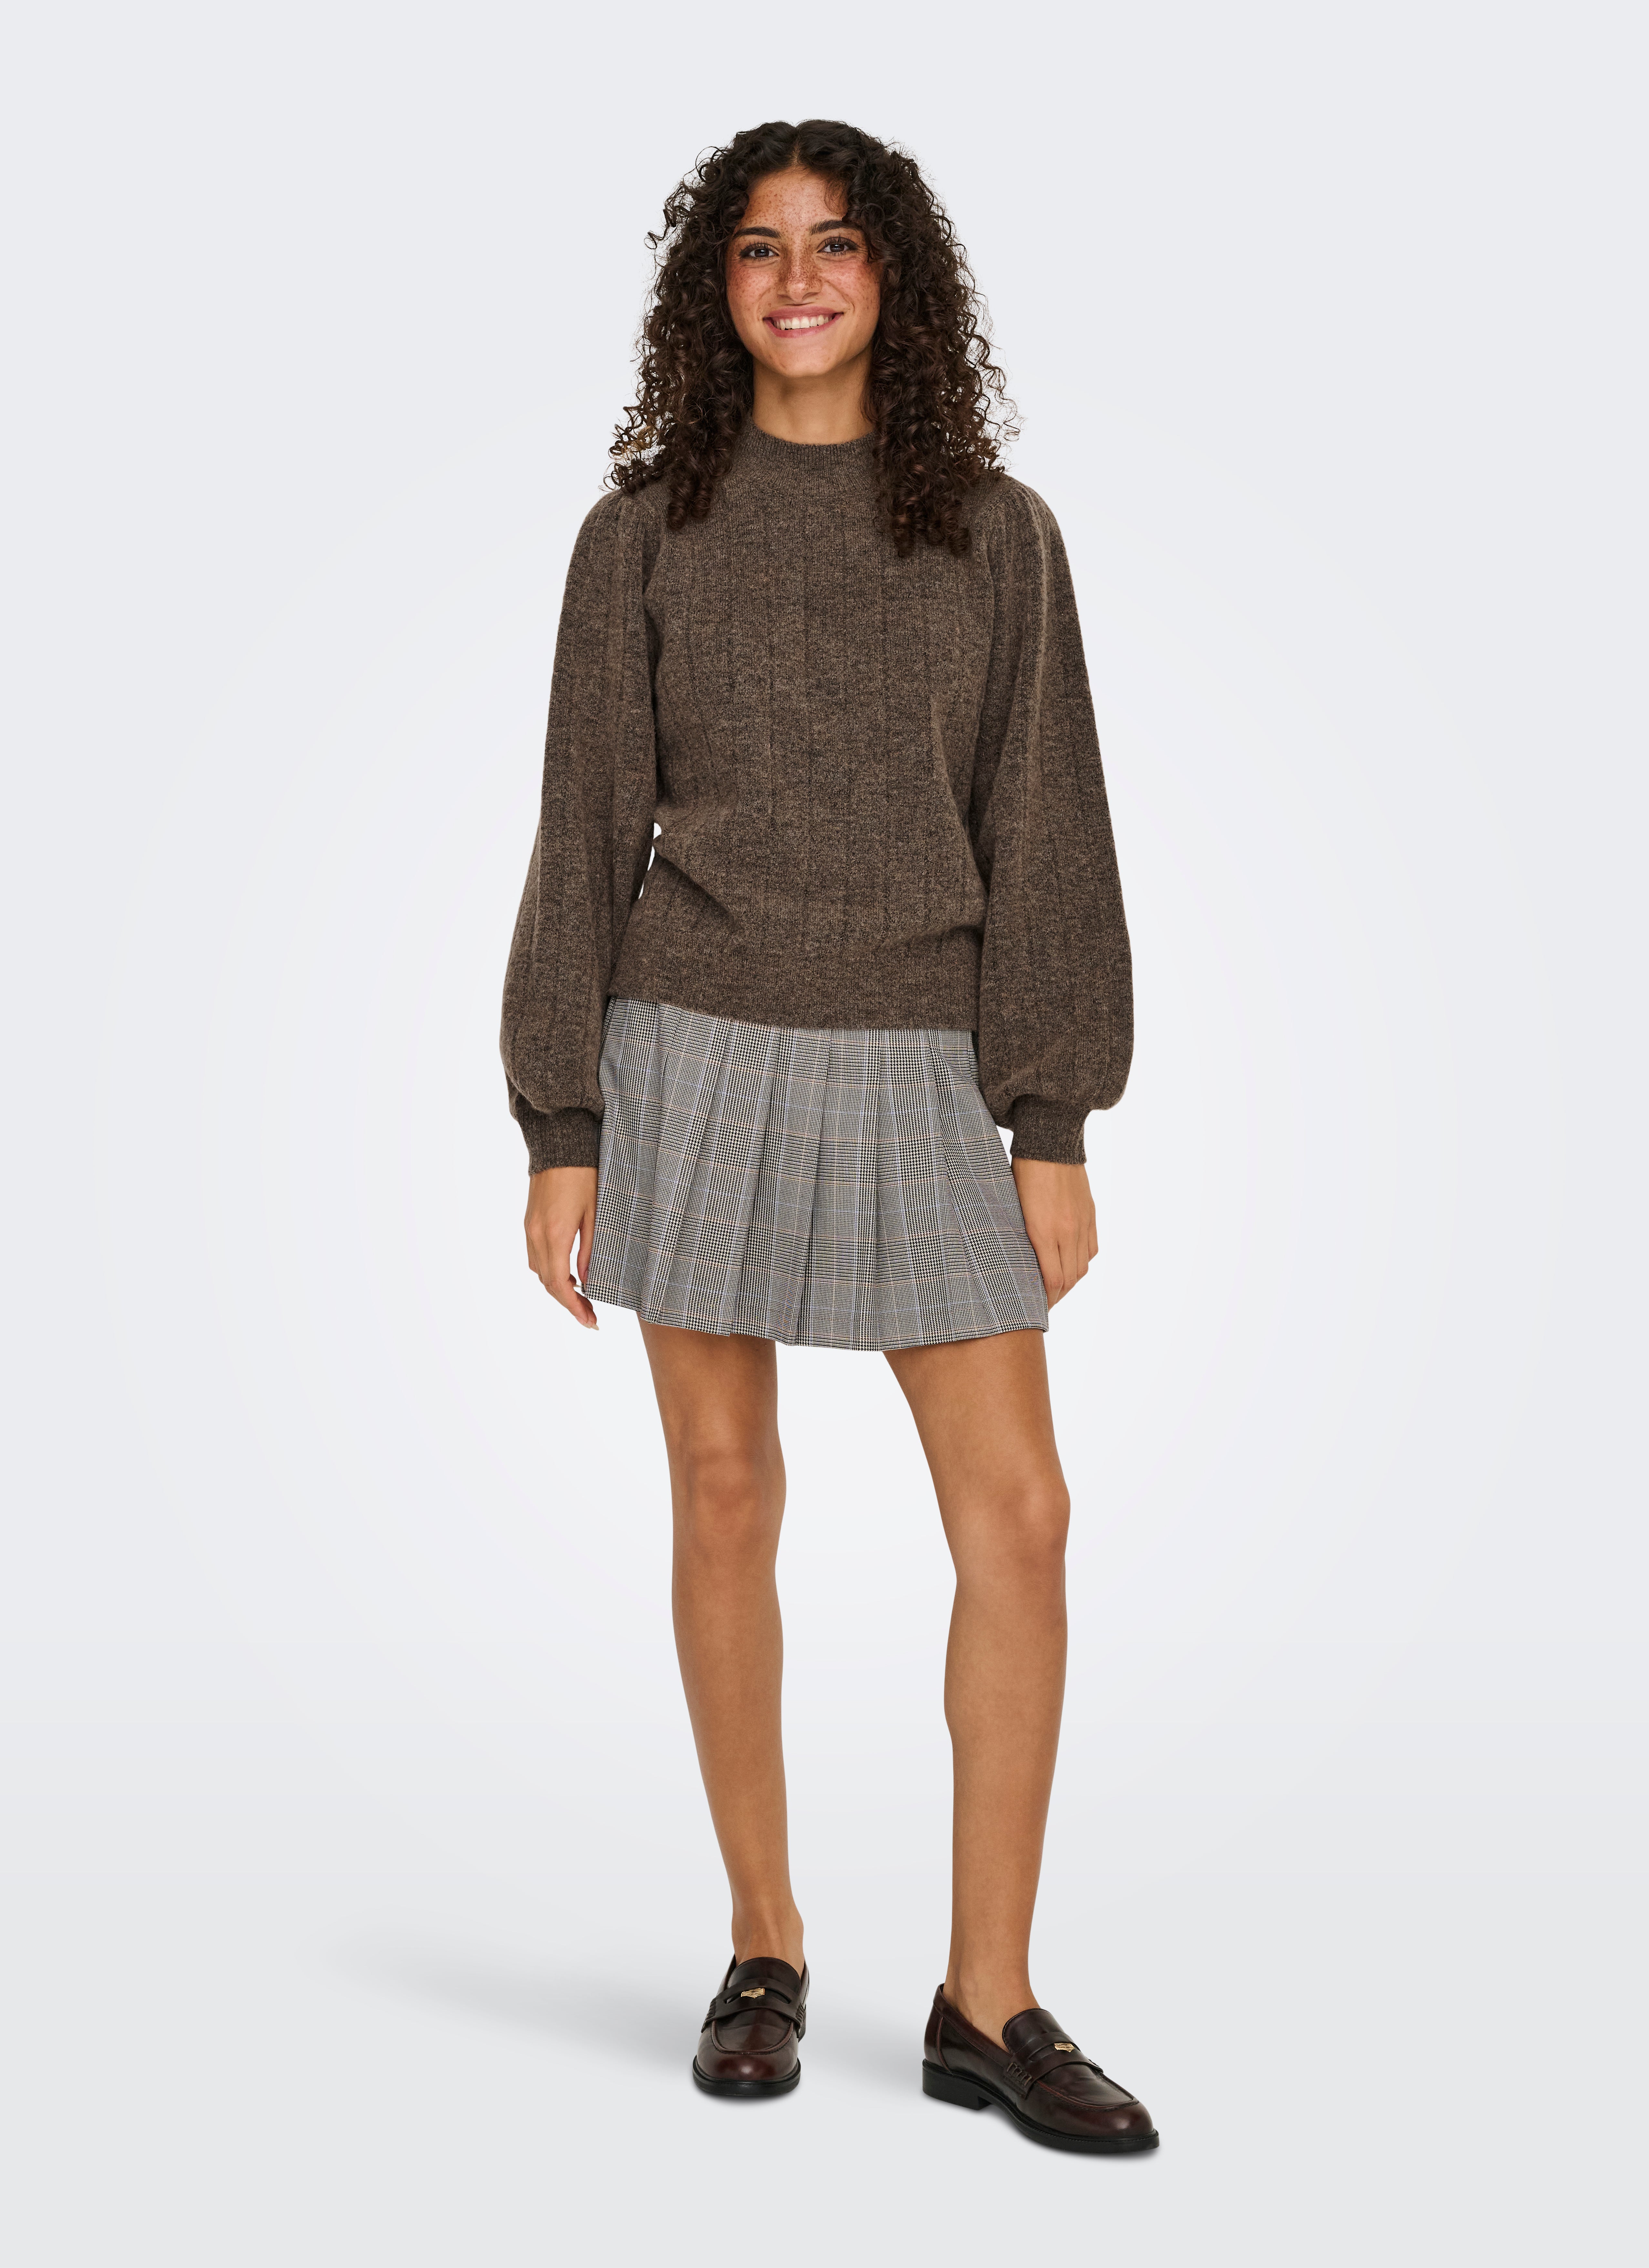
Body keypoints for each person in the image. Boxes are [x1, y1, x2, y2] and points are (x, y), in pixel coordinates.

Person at [500, 118, 1155, 2154]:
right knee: (723, 1491)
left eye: (840, 244)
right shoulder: (641, 535)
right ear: (713, 289)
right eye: (762, 247)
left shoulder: (996, 532)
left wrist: (1051, 1111)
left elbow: (1047, 813)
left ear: (899, 283)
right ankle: (765, 1943)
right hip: (691, 1042)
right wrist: (560, 1117)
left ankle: (989, 1996)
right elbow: (584, 824)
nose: (801, 279)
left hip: (925, 1058)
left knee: (1020, 1517)